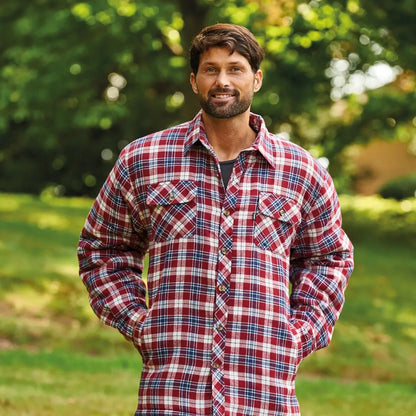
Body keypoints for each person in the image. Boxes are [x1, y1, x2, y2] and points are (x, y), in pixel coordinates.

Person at [78, 23, 354, 416]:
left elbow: (329, 259)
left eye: (235, 68)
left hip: (263, 394)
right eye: (210, 69)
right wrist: (140, 323)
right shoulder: (144, 160)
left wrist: (298, 335)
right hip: (172, 395)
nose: (222, 80)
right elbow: (101, 249)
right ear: (194, 80)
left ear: (256, 78)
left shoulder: (302, 171)